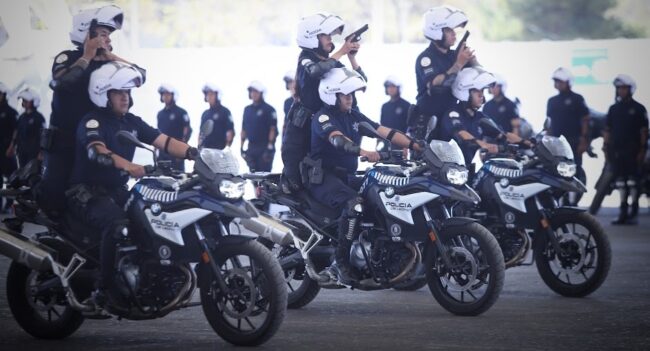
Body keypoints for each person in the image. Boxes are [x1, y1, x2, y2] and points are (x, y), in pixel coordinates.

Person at [66, 62, 198, 306]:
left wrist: (194, 153)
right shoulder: (92, 121)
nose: (125, 97)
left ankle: (147, 278)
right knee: (117, 225)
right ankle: (105, 289)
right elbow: (97, 151)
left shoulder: (131, 122)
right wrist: (127, 165)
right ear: (103, 94)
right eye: (119, 92)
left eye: (127, 92)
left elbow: (164, 141)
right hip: (86, 193)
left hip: (116, 191)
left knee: (150, 219)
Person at [308, 68, 423, 285]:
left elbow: (384, 131)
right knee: (355, 205)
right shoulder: (323, 117)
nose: (350, 98)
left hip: (346, 177)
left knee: (380, 193)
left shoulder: (353, 116)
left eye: (352, 94)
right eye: (346, 94)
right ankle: (341, 262)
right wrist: (364, 152)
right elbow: (337, 139)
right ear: (332, 95)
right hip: (323, 178)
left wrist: (416, 145)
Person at [37, 5, 146, 216]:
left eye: (108, 35)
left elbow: (141, 74)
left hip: (91, 138)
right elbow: (61, 83)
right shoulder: (67, 57)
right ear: (87, 32)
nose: (108, 40)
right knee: (54, 198)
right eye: (103, 34)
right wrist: (86, 56)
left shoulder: (105, 64)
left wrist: (112, 57)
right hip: (64, 140)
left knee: (95, 194)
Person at [281, 13, 365, 194]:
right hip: (301, 128)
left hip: (324, 127)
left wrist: (351, 57)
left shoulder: (333, 62)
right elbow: (315, 71)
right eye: (326, 35)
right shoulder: (306, 57)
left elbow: (359, 81)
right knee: (294, 180)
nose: (330, 39)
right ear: (312, 37)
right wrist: (342, 51)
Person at [412, 5, 477, 141]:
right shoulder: (426, 58)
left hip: (450, 122)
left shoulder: (455, 55)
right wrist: (458, 64)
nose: (454, 34)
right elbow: (435, 84)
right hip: (429, 125)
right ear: (436, 32)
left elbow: (478, 76)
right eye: (448, 30)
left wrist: (473, 61)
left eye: (453, 30)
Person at [440, 67, 522, 166]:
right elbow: (461, 133)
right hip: (448, 171)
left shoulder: (479, 117)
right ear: (465, 92)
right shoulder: (453, 114)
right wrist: (484, 145)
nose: (481, 95)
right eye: (477, 91)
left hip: (467, 171)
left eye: (482, 91)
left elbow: (502, 134)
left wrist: (526, 143)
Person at [603, 74, 648, 225]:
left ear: (630, 89)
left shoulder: (639, 109)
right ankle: (622, 211)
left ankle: (633, 209)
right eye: (619, 88)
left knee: (633, 181)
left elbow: (643, 131)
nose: (621, 91)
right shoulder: (613, 109)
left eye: (624, 88)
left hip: (633, 150)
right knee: (620, 182)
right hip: (617, 150)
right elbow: (608, 130)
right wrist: (606, 147)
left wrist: (642, 150)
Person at [545, 67, 590, 200]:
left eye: (560, 81)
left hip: (574, 141)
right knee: (557, 172)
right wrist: (547, 141)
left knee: (575, 171)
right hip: (557, 143)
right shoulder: (552, 101)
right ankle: (561, 201)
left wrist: (584, 141)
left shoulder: (577, 99)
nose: (558, 84)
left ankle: (573, 201)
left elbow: (585, 121)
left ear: (568, 82)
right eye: (556, 81)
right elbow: (549, 123)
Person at [241, 81, 278, 172]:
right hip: (251, 147)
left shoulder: (269, 109)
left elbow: (272, 129)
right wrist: (241, 148)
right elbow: (244, 129)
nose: (253, 94)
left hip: (264, 147)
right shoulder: (247, 110)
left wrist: (270, 147)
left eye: (256, 92)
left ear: (261, 93)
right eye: (252, 92)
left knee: (264, 178)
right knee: (253, 177)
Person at [7, 88, 45, 168]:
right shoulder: (22, 117)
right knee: (22, 173)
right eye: (23, 100)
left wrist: (42, 152)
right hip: (21, 151)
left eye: (26, 100)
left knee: (32, 175)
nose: (23, 102)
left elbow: (43, 135)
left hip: (34, 153)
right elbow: (16, 132)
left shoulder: (39, 118)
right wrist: (12, 146)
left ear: (33, 101)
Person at [156, 84, 190, 171]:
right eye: (164, 94)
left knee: (178, 178)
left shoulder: (181, 112)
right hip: (162, 153)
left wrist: (182, 151)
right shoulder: (160, 114)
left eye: (168, 94)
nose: (165, 96)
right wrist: (156, 149)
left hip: (176, 152)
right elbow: (158, 132)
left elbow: (187, 131)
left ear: (173, 96)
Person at [379, 75, 410, 151]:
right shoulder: (385, 106)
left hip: (401, 142)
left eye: (393, 86)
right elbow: (382, 125)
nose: (390, 89)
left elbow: (410, 127)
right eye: (388, 87)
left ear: (398, 88)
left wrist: (406, 145)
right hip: (387, 142)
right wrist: (379, 140)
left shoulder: (406, 105)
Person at [198, 83, 234, 150]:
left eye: (211, 94)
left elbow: (230, 132)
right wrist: (199, 146)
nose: (209, 96)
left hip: (219, 150)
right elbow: (201, 133)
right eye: (207, 94)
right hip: (205, 150)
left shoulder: (225, 112)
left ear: (217, 95)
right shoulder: (205, 114)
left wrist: (227, 148)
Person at [0, 82, 18, 212]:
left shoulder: (11, 112)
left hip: (7, 150)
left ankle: (11, 204)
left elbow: (16, 132)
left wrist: (12, 147)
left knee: (12, 178)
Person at [282, 70, 296, 137]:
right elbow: (286, 122)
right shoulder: (287, 102)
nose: (291, 85)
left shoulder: (306, 100)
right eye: (288, 83)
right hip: (290, 137)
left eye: (291, 82)